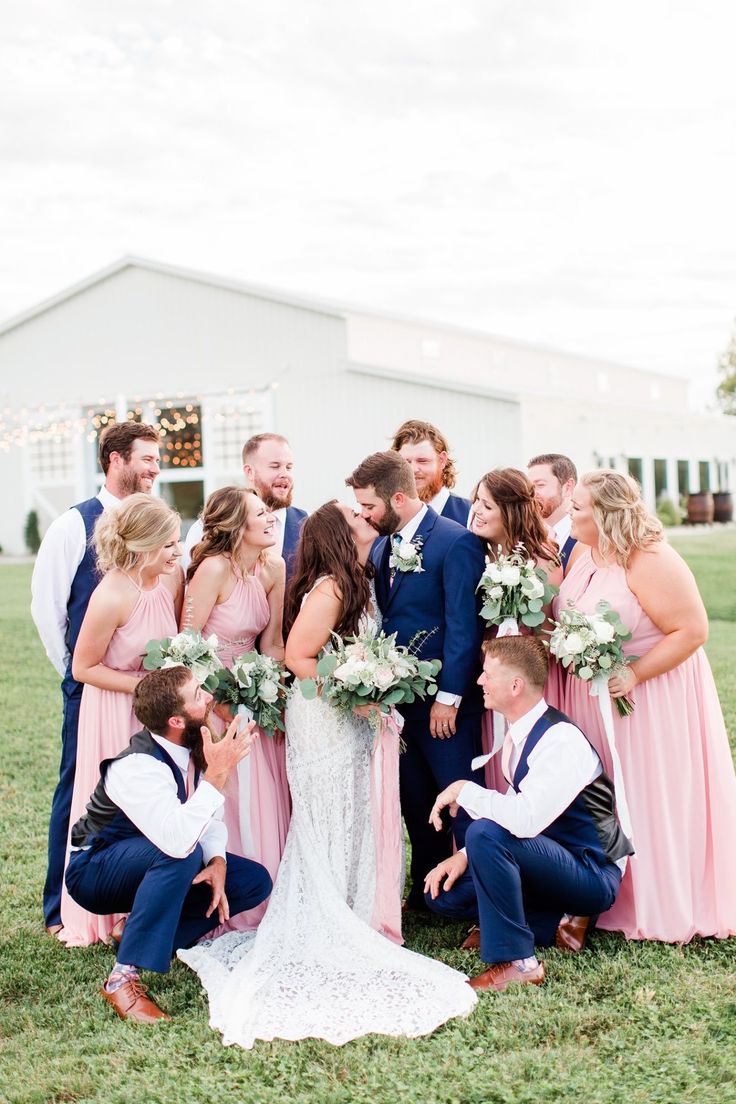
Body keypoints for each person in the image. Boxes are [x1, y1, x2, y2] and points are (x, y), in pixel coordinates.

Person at [177, 501, 477, 1048]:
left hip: (351, 718)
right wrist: (358, 688)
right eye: (358, 516)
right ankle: (328, 913)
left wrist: (374, 682)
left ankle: (354, 909)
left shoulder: (356, 579)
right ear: (342, 534)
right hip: (324, 718)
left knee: (356, 813)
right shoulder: (329, 589)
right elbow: (297, 657)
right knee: (327, 816)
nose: (369, 518)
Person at [556, 469, 736, 942]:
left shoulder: (649, 558)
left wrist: (634, 673)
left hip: (648, 700)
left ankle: (658, 898)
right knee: (604, 797)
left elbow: (694, 630)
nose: (569, 514)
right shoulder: (583, 551)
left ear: (607, 514)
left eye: (578, 508)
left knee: (646, 794)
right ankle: (609, 890)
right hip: (593, 698)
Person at [423, 637, 632, 992]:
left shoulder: (560, 740)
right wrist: (461, 857)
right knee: (442, 895)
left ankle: (521, 962)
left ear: (515, 686)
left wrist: (464, 790)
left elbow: (524, 820)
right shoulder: (519, 734)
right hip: (550, 859)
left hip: (593, 870)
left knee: (484, 831)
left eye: (487, 674)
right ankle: (556, 923)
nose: (479, 682)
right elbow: (518, 809)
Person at [65, 666, 272, 1023]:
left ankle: (134, 932)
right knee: (182, 850)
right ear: (177, 721)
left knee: (252, 880)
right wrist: (218, 772)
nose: (208, 697)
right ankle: (121, 977)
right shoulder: (138, 766)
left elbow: (204, 819)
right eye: (197, 696)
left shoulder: (188, 745)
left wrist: (219, 864)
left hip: (149, 856)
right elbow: (177, 841)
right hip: (92, 871)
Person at [31, 420, 162, 935]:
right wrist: (73, 674)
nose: (155, 468)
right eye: (146, 458)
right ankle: (60, 907)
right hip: (92, 685)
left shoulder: (155, 522)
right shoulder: (73, 525)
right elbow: (49, 611)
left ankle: (131, 899)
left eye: (156, 458)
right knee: (81, 790)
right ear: (115, 459)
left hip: (147, 691)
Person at [347, 452, 486, 909]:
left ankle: (478, 896)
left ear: (399, 498)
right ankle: (427, 889)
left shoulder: (456, 542)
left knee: (459, 799)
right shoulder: (385, 546)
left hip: (445, 704)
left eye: (369, 506)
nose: (364, 515)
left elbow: (463, 627)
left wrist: (449, 697)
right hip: (400, 702)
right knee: (414, 798)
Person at [58, 494, 183, 946]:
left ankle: (143, 905)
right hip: (115, 710)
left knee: (157, 803)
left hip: (152, 711)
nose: (177, 551)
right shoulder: (111, 593)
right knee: (120, 811)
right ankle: (103, 911)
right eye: (169, 544)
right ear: (144, 545)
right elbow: (83, 668)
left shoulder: (162, 584)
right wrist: (144, 687)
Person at [184, 485, 289, 929]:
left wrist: (273, 689)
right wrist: (217, 702)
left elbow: (274, 643)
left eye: (269, 512)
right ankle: (219, 897)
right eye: (261, 514)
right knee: (227, 791)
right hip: (212, 697)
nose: (271, 519)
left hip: (255, 696)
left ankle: (267, 897)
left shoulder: (274, 568)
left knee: (264, 789)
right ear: (235, 525)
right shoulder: (212, 569)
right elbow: (185, 645)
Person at [470, 468, 562, 795]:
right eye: (476, 502)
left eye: (487, 505)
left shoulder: (543, 557)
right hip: (487, 681)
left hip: (530, 682)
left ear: (509, 512)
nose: (477, 511)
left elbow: (549, 632)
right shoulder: (473, 552)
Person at [182, 433, 307, 580]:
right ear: (249, 472)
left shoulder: (308, 523)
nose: (285, 474)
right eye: (275, 466)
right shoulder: (210, 526)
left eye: (289, 467)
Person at [390, 418, 471, 525]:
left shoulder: (470, 515)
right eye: (406, 462)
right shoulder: (389, 516)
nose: (413, 470)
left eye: (423, 461)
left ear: (442, 461)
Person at [527, 453, 578, 571]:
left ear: (567, 487)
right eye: (529, 487)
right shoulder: (525, 535)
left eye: (540, 485)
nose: (531, 494)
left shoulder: (585, 537)